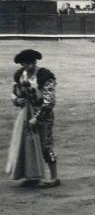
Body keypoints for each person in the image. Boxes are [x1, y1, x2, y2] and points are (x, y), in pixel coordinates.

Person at [9, 49, 60, 186]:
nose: (30, 66)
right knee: (26, 144)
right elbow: (15, 93)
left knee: (46, 145)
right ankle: (31, 176)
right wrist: (16, 100)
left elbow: (49, 102)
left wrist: (36, 119)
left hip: (44, 115)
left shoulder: (44, 76)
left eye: (33, 62)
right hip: (26, 114)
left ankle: (54, 178)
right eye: (27, 63)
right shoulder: (20, 75)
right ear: (22, 64)